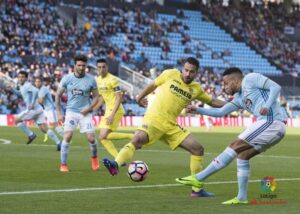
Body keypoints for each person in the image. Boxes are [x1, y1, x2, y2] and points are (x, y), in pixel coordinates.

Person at [102, 57, 225, 197]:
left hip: (171, 125)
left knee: (198, 149)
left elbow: (213, 101)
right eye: (185, 70)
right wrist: (139, 97)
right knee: (138, 139)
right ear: (182, 68)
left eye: (191, 72)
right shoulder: (170, 74)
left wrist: (234, 105)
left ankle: (197, 190)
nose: (187, 74)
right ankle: (115, 165)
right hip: (154, 118)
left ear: (196, 73)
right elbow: (153, 85)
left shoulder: (196, 89)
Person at [176, 67, 287, 204]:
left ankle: (199, 178)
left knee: (234, 145)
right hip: (271, 128)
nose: (224, 87)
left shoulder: (251, 79)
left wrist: (267, 105)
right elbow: (221, 112)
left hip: (271, 122)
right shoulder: (239, 98)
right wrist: (197, 110)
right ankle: (241, 198)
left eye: (226, 83)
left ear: (235, 81)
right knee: (242, 155)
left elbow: (276, 87)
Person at [55, 55, 100, 172]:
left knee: (91, 138)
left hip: (85, 113)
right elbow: (58, 95)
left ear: (86, 66)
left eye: (83, 65)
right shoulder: (67, 78)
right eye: (79, 65)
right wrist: (59, 112)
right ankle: (63, 164)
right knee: (67, 136)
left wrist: (89, 108)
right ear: (74, 66)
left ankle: (94, 158)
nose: (81, 67)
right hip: (71, 112)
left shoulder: (91, 80)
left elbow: (96, 97)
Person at [94, 59, 134, 159]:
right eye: (99, 67)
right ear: (97, 68)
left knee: (103, 135)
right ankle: (118, 159)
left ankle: (132, 136)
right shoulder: (98, 80)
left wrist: (112, 115)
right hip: (108, 110)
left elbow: (119, 97)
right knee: (103, 138)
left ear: (107, 67)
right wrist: (93, 109)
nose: (101, 69)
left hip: (115, 110)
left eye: (103, 67)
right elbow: (102, 97)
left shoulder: (112, 80)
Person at [12, 71, 62, 150]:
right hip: (39, 109)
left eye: (22, 77)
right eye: (19, 76)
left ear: (26, 78)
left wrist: (31, 103)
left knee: (16, 120)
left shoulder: (27, 85)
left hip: (32, 109)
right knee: (44, 128)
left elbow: (35, 91)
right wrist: (12, 89)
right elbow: (20, 94)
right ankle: (59, 143)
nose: (20, 78)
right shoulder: (22, 86)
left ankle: (31, 134)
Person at [35, 77, 64, 146]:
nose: (37, 83)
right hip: (45, 110)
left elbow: (41, 101)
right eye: (36, 82)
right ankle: (58, 142)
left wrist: (34, 100)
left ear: (41, 82)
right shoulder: (38, 90)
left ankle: (66, 138)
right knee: (41, 126)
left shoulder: (43, 89)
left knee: (55, 126)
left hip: (50, 109)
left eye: (39, 81)